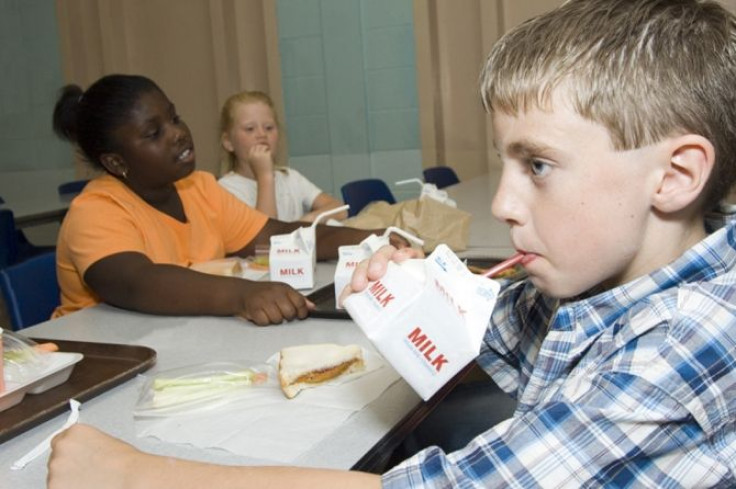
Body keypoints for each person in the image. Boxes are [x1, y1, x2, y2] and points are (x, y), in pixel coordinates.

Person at [47, 0, 736, 486]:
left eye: (539, 166)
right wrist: (414, 296)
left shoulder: (690, 336)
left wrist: (138, 473)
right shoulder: (613, 287)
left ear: (675, 177)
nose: (503, 203)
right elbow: (483, 332)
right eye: (508, 164)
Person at [51, 74, 382, 326]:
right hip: (101, 359)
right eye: (154, 133)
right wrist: (243, 295)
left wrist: (378, 240)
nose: (178, 133)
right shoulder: (95, 211)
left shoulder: (199, 188)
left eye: (174, 118)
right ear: (116, 163)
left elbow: (278, 235)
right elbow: (137, 283)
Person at [218, 90, 348, 222]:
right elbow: (265, 236)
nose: (262, 134)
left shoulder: (290, 177)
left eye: (269, 128)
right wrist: (265, 177)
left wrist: (306, 221)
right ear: (228, 142)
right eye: (250, 129)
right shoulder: (224, 190)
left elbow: (340, 210)